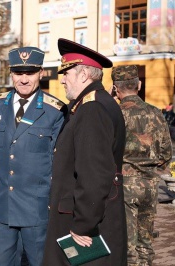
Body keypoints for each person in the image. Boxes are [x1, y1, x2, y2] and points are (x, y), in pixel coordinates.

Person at [0, 46, 66, 265]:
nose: (23, 79)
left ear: (41, 73)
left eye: (30, 73)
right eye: (18, 73)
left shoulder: (55, 111)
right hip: (3, 207)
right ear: (11, 73)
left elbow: (61, 162)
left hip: (36, 209)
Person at [42, 38, 127, 266]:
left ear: (82, 75)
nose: (62, 80)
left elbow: (95, 174)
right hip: (87, 217)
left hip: (84, 226)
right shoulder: (94, 103)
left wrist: (83, 224)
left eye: (66, 73)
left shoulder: (92, 109)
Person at [110, 65, 172, 265]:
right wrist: (151, 168)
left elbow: (106, 152)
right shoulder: (155, 113)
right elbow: (166, 153)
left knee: (127, 245)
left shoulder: (115, 114)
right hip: (150, 184)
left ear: (115, 88)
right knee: (145, 244)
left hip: (125, 185)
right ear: (139, 84)